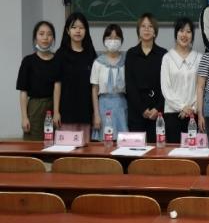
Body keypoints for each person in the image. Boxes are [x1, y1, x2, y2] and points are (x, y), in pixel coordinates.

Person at [53, 12, 97, 144]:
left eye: (81, 27)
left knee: (85, 149)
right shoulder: (61, 54)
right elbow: (57, 84)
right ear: (68, 30)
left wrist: (95, 113)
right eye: (74, 27)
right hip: (66, 112)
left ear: (86, 31)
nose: (78, 31)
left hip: (86, 111)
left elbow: (94, 87)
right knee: (66, 149)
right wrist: (56, 111)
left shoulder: (90, 54)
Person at [125, 13, 167, 143]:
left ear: (155, 32)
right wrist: (142, 109)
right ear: (138, 31)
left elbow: (166, 85)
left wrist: (158, 108)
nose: (147, 29)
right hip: (137, 112)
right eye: (143, 26)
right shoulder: (131, 54)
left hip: (157, 113)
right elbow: (130, 85)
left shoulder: (163, 54)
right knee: (135, 150)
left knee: (157, 150)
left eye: (150, 26)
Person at [161, 17, 202, 143]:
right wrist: (182, 107)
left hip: (193, 114)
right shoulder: (167, 58)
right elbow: (166, 88)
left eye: (188, 31)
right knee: (173, 152)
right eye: (181, 31)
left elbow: (201, 87)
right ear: (176, 34)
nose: (184, 35)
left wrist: (193, 108)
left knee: (193, 150)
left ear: (192, 35)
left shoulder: (199, 58)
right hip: (172, 114)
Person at [16, 21, 59, 141]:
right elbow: (23, 91)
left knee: (54, 143)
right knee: (33, 144)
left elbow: (58, 85)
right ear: (35, 38)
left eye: (49, 34)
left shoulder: (58, 60)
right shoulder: (28, 61)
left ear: (53, 38)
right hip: (34, 107)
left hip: (53, 105)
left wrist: (56, 112)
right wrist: (24, 117)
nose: (45, 37)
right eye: (41, 34)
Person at [90, 24, 128, 141]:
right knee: (105, 142)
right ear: (104, 40)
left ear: (121, 40)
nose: (113, 41)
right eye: (109, 38)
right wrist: (96, 114)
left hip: (121, 106)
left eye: (116, 38)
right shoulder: (98, 63)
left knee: (122, 141)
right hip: (103, 106)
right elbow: (94, 89)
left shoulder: (126, 61)